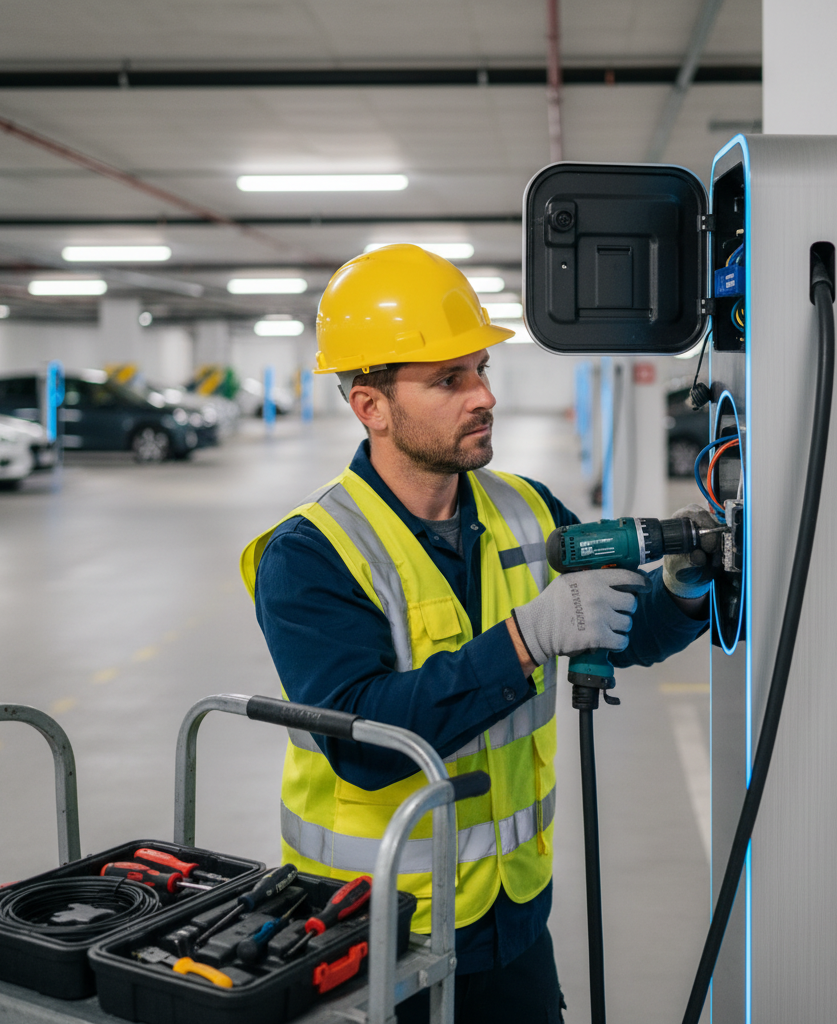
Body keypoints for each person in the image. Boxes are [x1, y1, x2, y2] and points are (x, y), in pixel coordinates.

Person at [241, 244, 714, 1023]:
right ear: (370, 405)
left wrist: (681, 591)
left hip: (514, 911)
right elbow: (363, 741)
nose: (481, 396)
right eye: (448, 379)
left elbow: (613, 629)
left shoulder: (525, 507)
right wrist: (525, 639)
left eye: (481, 369)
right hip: (377, 929)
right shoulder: (308, 553)